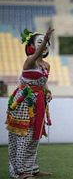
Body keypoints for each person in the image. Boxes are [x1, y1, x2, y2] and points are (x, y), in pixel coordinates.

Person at [6, 27, 54, 179]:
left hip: (39, 102)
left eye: (45, 42)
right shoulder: (29, 61)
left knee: (35, 136)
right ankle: (20, 172)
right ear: (32, 46)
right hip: (24, 102)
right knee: (23, 136)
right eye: (39, 42)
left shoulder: (46, 65)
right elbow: (37, 55)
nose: (44, 45)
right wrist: (46, 38)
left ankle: (32, 168)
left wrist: (48, 92)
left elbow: (43, 83)